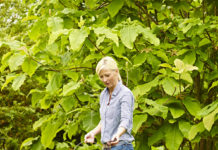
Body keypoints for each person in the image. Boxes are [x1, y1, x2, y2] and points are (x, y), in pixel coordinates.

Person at [84, 56, 134, 150]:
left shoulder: (125, 94)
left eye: (107, 75)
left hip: (122, 146)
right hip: (107, 147)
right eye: (101, 76)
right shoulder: (103, 95)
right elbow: (105, 121)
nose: (104, 80)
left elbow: (126, 120)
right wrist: (93, 133)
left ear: (116, 71)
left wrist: (118, 134)